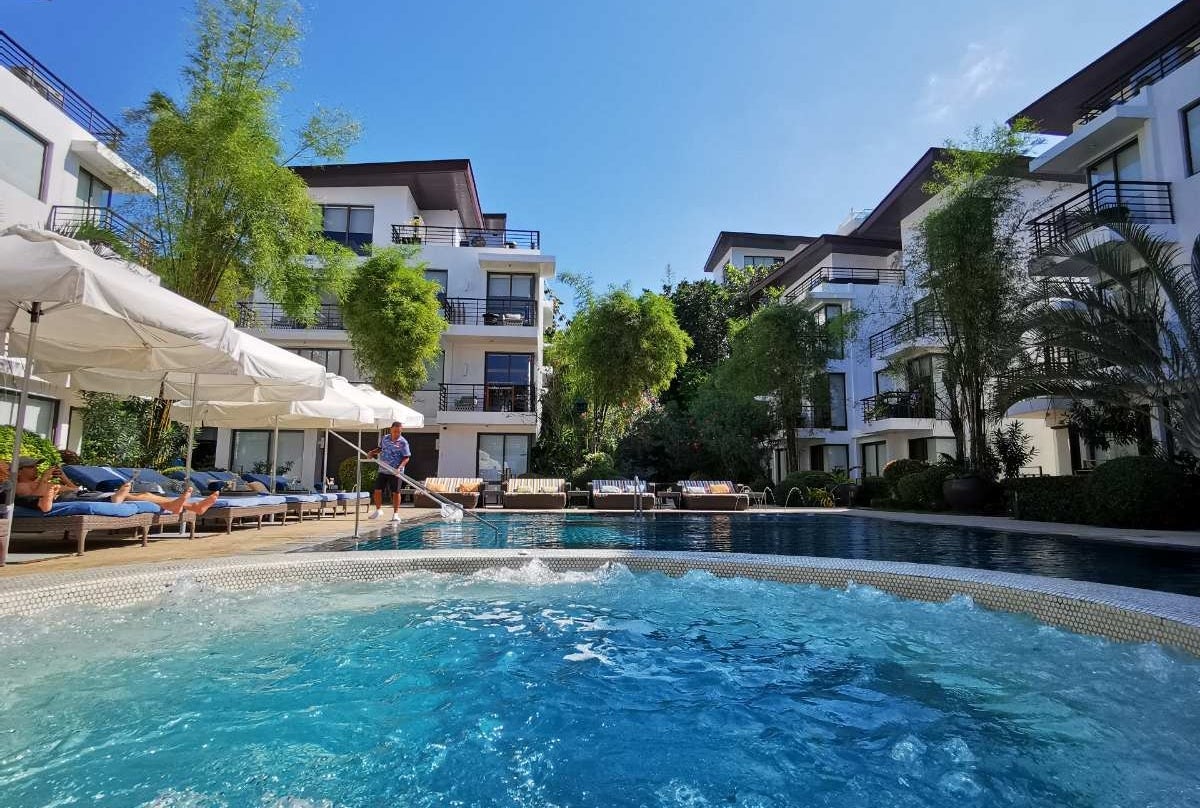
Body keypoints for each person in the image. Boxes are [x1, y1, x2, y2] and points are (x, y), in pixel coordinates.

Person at [2, 460, 221, 515]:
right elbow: (35, 497)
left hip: (78, 492)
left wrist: (65, 479)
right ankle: (189, 507)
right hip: (78, 498)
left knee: (143, 494)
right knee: (132, 496)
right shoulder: (20, 486)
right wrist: (46, 480)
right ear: (21, 471)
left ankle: (189, 507)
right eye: (31, 467)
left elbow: (73, 487)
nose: (35, 469)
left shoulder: (37, 481)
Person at [366, 421, 410, 522]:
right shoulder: (385, 438)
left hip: (395, 471)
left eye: (399, 432)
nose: (396, 434)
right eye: (395, 431)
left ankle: (395, 514)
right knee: (377, 490)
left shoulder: (403, 442)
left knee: (395, 492)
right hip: (383, 469)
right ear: (391, 430)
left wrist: (399, 468)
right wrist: (372, 453)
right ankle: (378, 510)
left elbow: (406, 457)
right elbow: (380, 449)